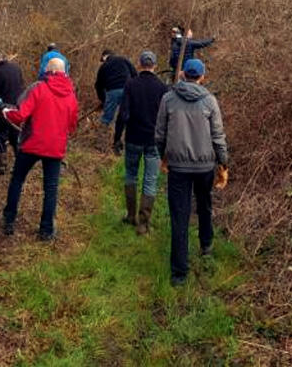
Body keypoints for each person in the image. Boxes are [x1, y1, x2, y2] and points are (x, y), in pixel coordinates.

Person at [154, 58, 229, 286]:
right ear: (202, 77)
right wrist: (223, 163)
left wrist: (163, 157)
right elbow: (218, 136)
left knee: (179, 216)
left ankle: (179, 273)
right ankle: (206, 244)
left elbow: (159, 134)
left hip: (178, 167)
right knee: (204, 205)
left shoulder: (168, 99)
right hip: (205, 166)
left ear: (183, 74)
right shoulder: (209, 101)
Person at [1, 57, 79, 241]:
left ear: (49, 71)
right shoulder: (71, 94)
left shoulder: (39, 88)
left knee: (17, 180)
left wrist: (5, 112)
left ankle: (9, 221)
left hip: (32, 144)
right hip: (55, 148)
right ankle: (46, 231)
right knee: (51, 189)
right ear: (64, 72)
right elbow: (73, 125)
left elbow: (20, 115)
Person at [112, 50, 167, 234]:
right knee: (150, 180)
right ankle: (143, 223)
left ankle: (130, 215)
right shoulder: (162, 87)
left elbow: (123, 114)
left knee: (131, 175)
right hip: (153, 141)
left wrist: (117, 138)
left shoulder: (131, 84)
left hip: (133, 138)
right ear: (155, 66)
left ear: (139, 64)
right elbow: (166, 118)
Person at [94, 48, 136, 126]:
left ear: (104, 56)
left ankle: (103, 132)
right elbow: (134, 74)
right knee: (129, 115)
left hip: (112, 92)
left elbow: (99, 86)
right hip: (128, 89)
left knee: (106, 118)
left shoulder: (103, 67)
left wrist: (103, 100)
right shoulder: (123, 60)